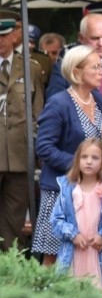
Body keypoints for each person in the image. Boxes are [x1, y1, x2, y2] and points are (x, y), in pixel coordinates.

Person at [34, 45, 102, 266]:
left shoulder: (98, 100)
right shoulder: (58, 103)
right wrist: (81, 167)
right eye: (95, 67)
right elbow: (44, 147)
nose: (101, 71)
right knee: (54, 253)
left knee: (87, 251)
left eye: (101, 66)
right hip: (61, 191)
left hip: (92, 192)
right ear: (76, 72)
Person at [50, 137, 102, 290]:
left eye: (95, 157)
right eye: (84, 157)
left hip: (99, 253)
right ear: (77, 160)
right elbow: (56, 219)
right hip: (75, 253)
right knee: (73, 292)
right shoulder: (68, 189)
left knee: (99, 292)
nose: (89, 161)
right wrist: (73, 234)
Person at [0, 17, 44, 252]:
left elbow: (38, 113)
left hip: (19, 154)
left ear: (15, 35)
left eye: (4, 35)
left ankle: (8, 271)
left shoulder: (31, 68)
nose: (0, 41)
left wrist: (37, 152)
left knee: (14, 221)